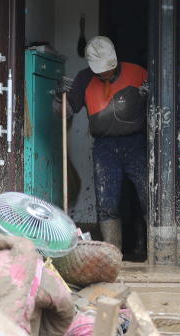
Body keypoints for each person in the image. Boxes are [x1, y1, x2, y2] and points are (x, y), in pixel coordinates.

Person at [54, 36, 149, 251]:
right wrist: (61, 97)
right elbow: (66, 113)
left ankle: (154, 251)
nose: (106, 72)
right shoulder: (84, 78)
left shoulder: (138, 73)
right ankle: (113, 255)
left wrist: (152, 94)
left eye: (109, 66)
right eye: (100, 68)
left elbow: (160, 104)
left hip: (136, 143)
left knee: (148, 200)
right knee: (106, 204)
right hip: (104, 146)